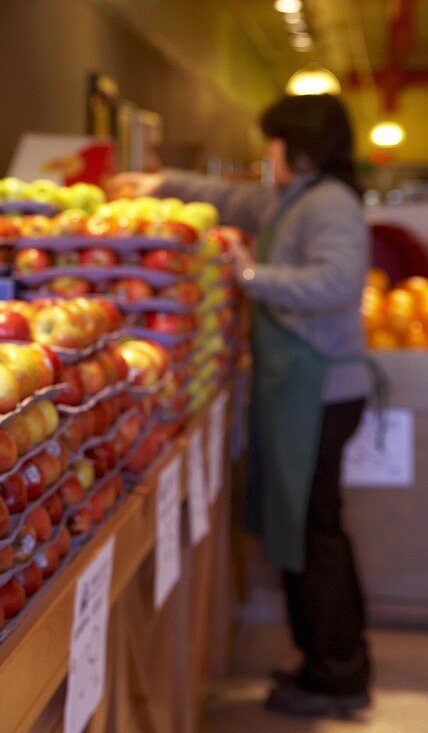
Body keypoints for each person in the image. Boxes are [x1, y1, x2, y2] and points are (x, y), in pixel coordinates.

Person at [108, 94, 374, 718]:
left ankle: (337, 674)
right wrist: (157, 183)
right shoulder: (295, 196)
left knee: (317, 534)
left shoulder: (330, 203)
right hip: (300, 390)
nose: (267, 155)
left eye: (274, 142)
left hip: (321, 392)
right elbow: (234, 200)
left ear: (300, 144)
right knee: (308, 528)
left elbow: (336, 283)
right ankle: (325, 663)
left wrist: (250, 276)